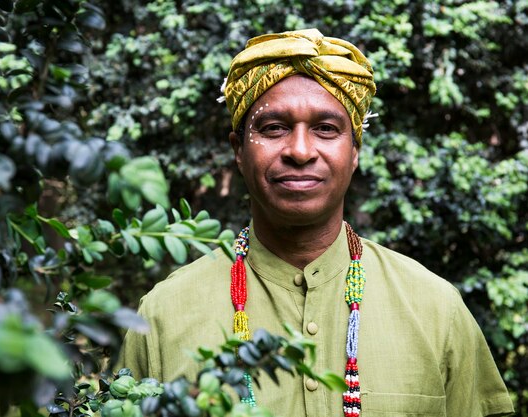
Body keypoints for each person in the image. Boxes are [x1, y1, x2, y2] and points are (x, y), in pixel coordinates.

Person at [118, 29, 514, 417]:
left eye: (326, 129)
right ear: (239, 151)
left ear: (355, 151)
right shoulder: (162, 316)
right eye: (274, 128)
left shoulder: (435, 308)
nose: (301, 151)